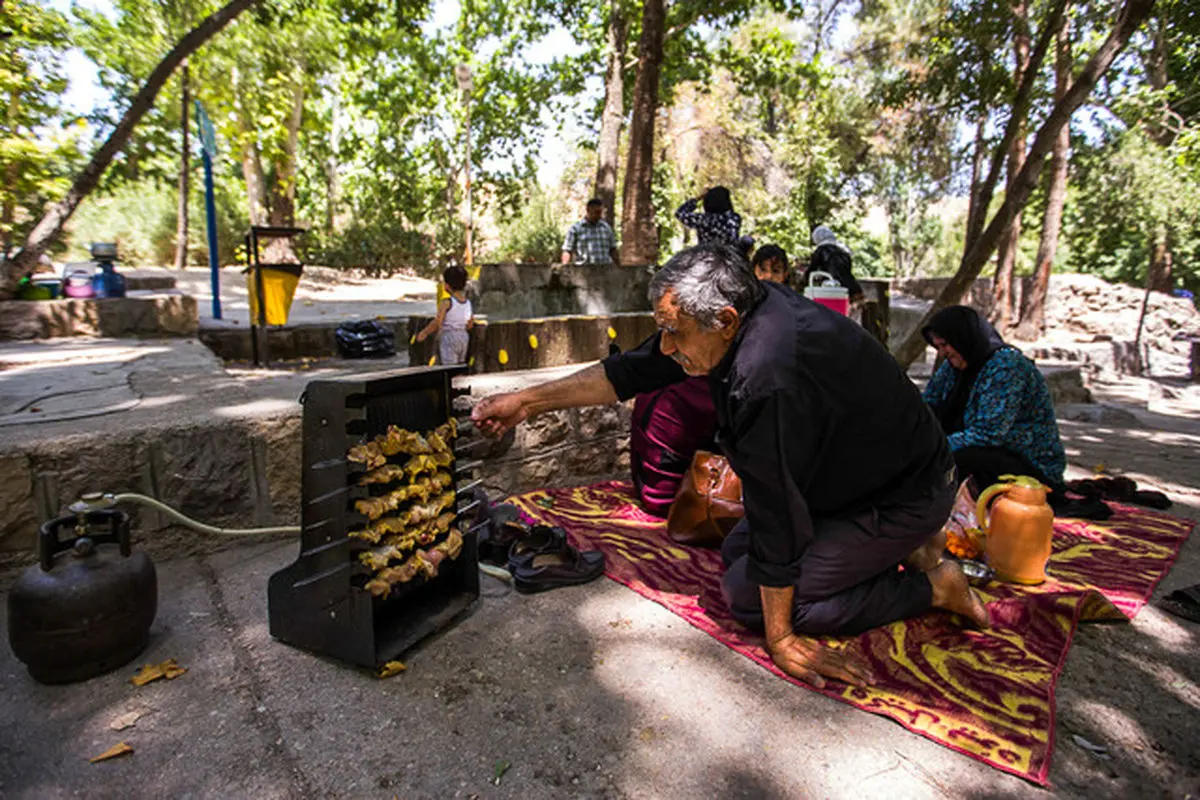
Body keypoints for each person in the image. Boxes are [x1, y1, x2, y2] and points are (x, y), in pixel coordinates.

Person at [473, 242, 989, 690]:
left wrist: (781, 636)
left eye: (675, 333)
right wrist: (528, 401)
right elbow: (631, 370)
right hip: (855, 479)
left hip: (903, 493)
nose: (667, 347)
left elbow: (778, 512)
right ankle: (904, 549)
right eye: (663, 331)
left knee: (748, 597)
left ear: (725, 321)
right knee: (740, 549)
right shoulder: (740, 308)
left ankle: (934, 585)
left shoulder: (765, 374)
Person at [922, 306, 1067, 495]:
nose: (942, 353)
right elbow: (929, 404)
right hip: (986, 453)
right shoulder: (953, 366)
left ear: (962, 339)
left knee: (951, 461)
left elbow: (988, 434)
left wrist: (933, 447)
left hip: (1025, 463)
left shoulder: (1006, 367)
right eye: (938, 347)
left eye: (945, 345)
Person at [415, 265, 474, 365]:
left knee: (449, 365)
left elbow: (438, 322)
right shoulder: (468, 303)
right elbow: (470, 324)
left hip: (449, 336)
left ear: (447, 285)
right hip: (463, 336)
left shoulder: (447, 302)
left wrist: (425, 332)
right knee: (460, 364)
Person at [807, 226, 863, 305]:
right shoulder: (843, 249)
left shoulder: (821, 250)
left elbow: (812, 269)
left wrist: (803, 281)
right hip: (852, 288)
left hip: (831, 289)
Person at [675, 187, 742, 246]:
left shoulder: (703, 219)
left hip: (705, 255)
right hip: (729, 255)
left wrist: (698, 198)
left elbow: (679, 213)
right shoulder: (735, 218)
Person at [562, 198, 619, 265]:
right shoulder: (576, 229)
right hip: (583, 271)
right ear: (588, 210)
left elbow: (613, 250)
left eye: (600, 212)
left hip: (605, 270)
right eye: (596, 212)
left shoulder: (606, 228)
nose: (599, 215)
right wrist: (564, 268)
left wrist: (619, 268)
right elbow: (567, 250)